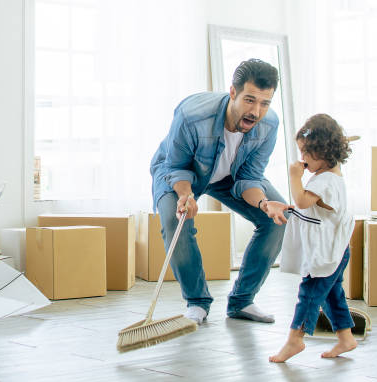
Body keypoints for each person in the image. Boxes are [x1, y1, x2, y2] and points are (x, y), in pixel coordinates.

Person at [150, 58, 290, 325]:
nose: (256, 111)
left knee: (275, 219)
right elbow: (176, 166)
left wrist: (264, 205)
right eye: (250, 100)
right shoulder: (191, 114)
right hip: (180, 171)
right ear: (233, 92)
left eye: (265, 103)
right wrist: (185, 195)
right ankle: (197, 303)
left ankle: (242, 301)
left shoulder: (269, 124)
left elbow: (249, 178)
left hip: (230, 175)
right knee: (174, 219)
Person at [269, 114, 357, 363]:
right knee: (331, 293)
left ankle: (295, 339)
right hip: (333, 249)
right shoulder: (326, 176)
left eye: (306, 153)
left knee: (309, 293)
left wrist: (294, 176)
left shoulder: (327, 181)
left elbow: (303, 200)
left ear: (323, 152)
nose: (302, 159)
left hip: (329, 251)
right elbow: (308, 209)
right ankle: (345, 337)